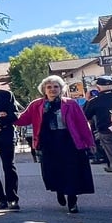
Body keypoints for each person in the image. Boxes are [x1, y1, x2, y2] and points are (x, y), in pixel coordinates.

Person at [15, 75, 96, 213]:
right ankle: (59, 190)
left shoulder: (71, 104)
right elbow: (22, 120)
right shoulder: (37, 105)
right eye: (49, 87)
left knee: (72, 171)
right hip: (48, 142)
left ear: (61, 89)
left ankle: (72, 201)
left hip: (69, 141)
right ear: (44, 90)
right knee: (53, 171)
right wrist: (5, 116)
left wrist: (89, 142)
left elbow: (82, 124)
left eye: (56, 87)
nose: (53, 89)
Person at [84, 75, 112, 200]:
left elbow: (84, 116)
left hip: (107, 133)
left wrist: (88, 100)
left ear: (98, 87)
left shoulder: (95, 101)